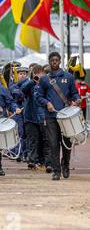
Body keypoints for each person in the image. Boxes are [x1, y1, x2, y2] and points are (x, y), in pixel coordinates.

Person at [37, 52, 80, 180]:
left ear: (60, 61)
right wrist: (47, 103)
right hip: (51, 116)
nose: (54, 62)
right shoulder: (44, 79)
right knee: (53, 144)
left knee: (66, 143)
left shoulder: (68, 77)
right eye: (52, 60)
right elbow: (38, 96)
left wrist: (76, 100)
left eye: (56, 60)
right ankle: (56, 170)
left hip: (66, 116)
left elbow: (75, 93)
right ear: (49, 61)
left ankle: (65, 165)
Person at [21, 64, 52, 172]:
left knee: (46, 141)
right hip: (30, 117)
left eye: (40, 74)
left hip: (43, 116)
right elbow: (23, 89)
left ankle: (48, 163)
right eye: (36, 74)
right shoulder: (30, 84)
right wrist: (33, 80)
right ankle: (32, 161)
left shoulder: (47, 84)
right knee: (32, 140)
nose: (38, 76)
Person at [9, 66, 29, 162]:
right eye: (20, 74)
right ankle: (19, 153)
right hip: (18, 112)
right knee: (20, 132)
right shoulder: (14, 86)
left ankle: (26, 153)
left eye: (25, 74)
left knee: (27, 133)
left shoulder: (30, 85)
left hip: (27, 111)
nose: (23, 75)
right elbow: (18, 95)